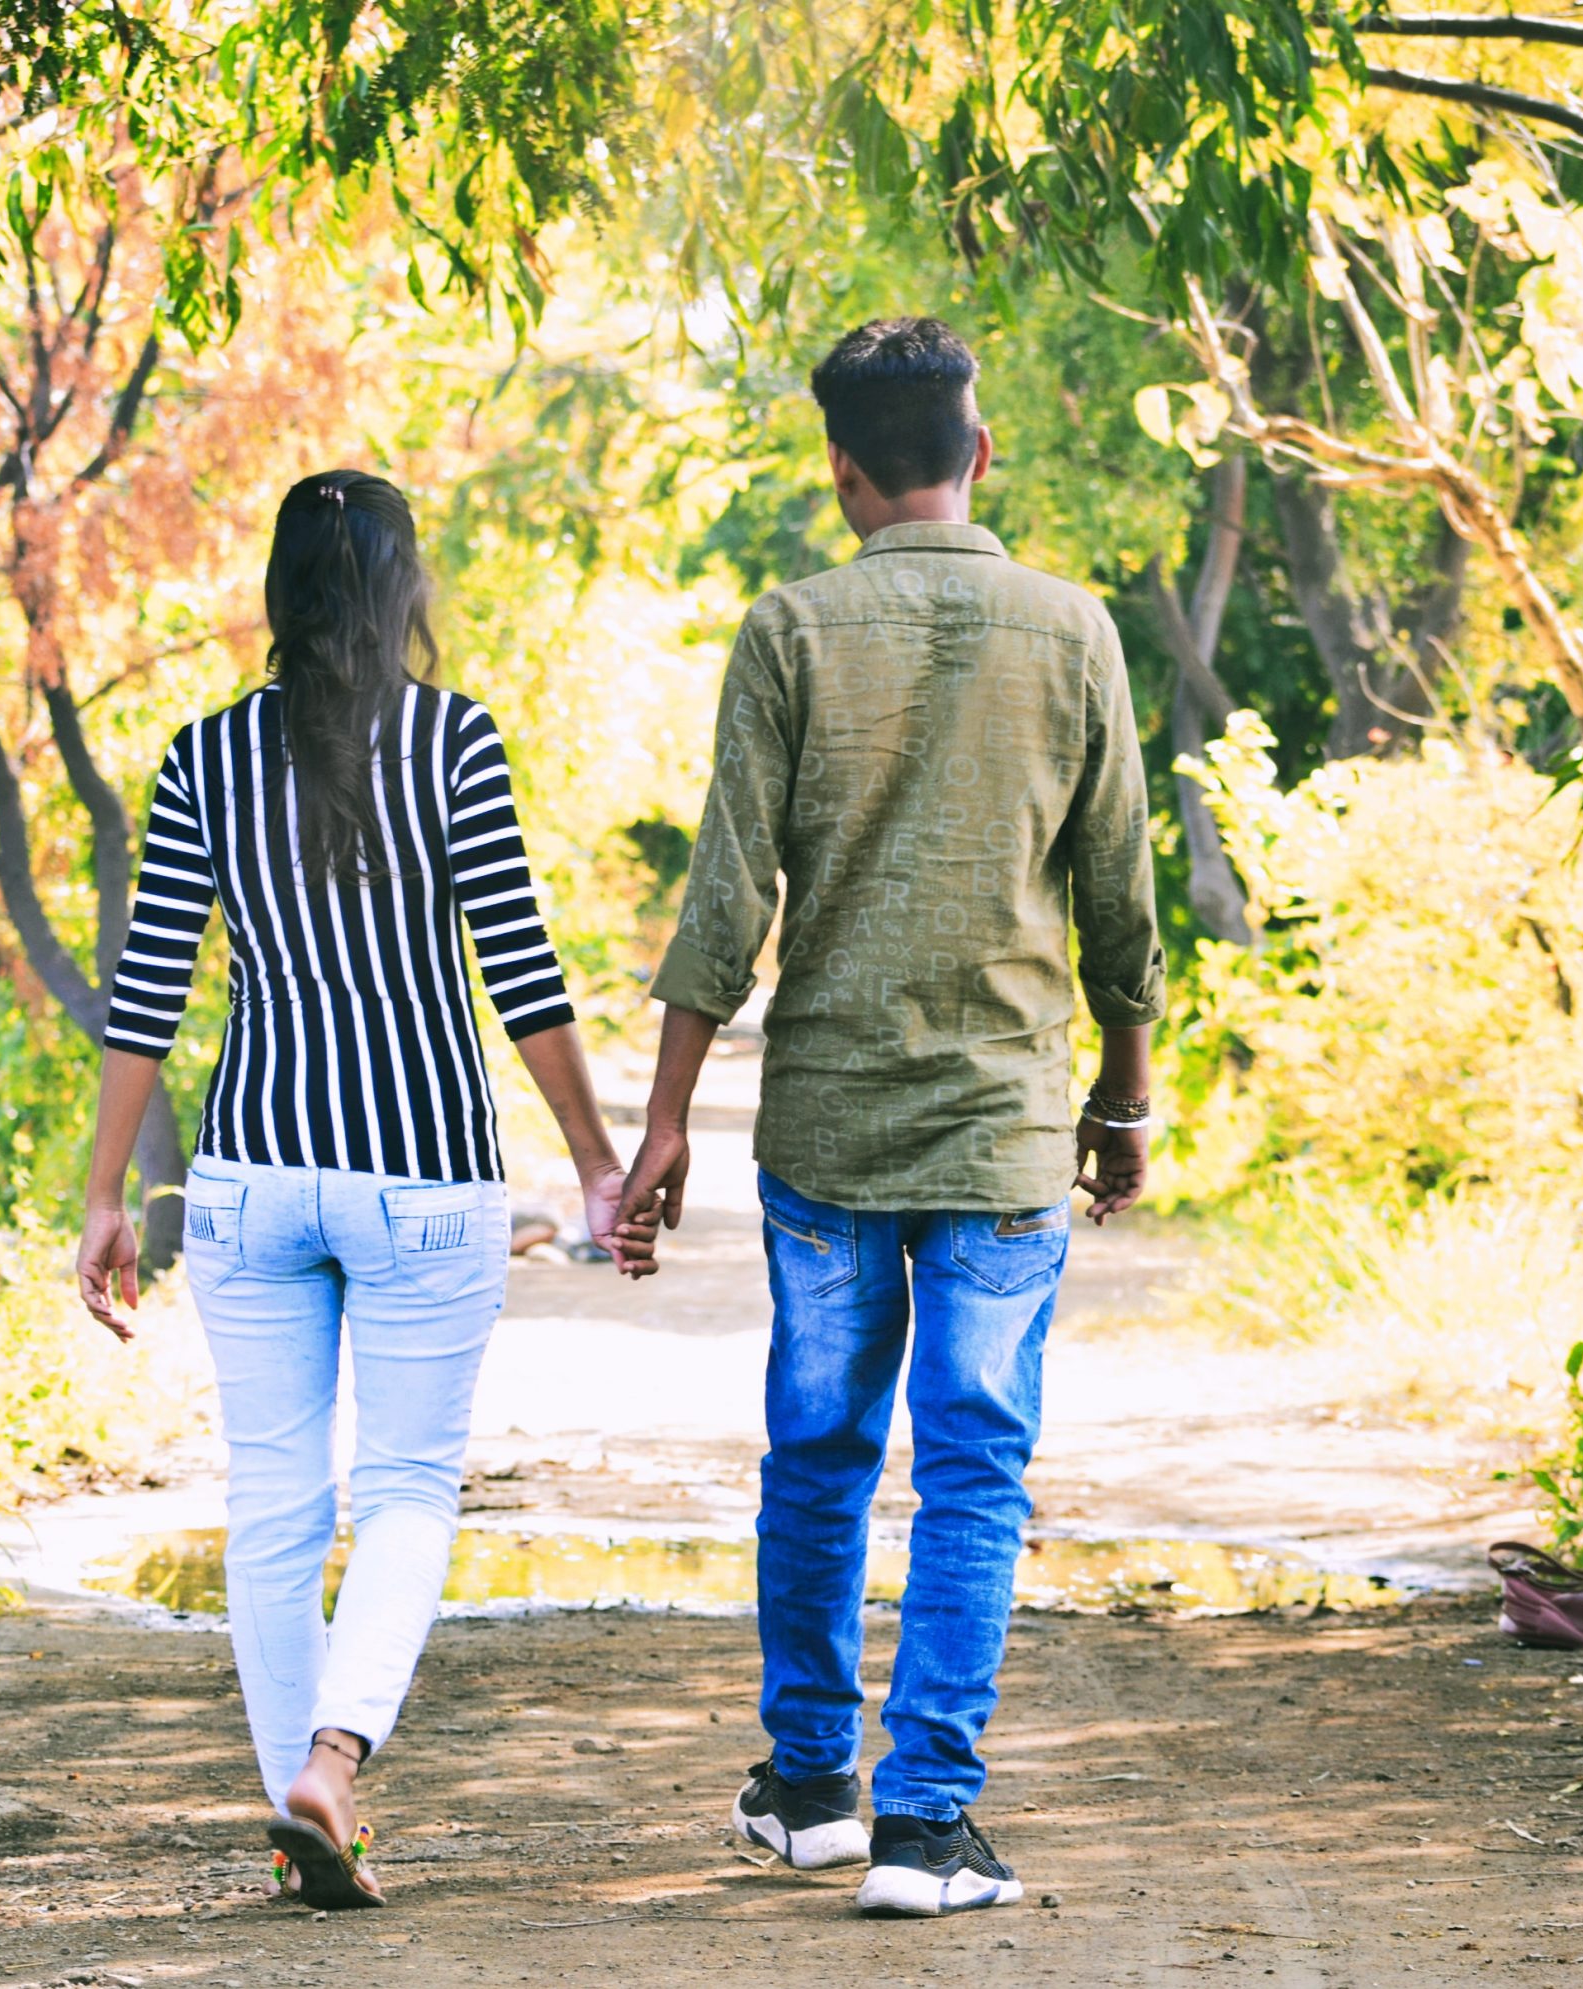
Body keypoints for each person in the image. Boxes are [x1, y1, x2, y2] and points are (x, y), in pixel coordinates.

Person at [617, 319, 1165, 1917]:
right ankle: (926, 1829)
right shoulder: (1075, 633)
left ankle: (808, 1788)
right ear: (980, 451)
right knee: (977, 1464)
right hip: (1002, 1132)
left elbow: (726, 903)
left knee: (821, 1453)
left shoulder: (786, 630)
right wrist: (1123, 1106)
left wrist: (664, 1126)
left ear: (841, 470)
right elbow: (1121, 903)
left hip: (830, 1130)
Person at [76, 469, 654, 1909]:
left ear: (280, 595)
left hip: (250, 1177)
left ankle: (302, 1815)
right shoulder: (452, 742)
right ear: (404, 593)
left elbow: (146, 997)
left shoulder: (204, 756)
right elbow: (521, 970)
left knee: (273, 1501)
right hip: (424, 1176)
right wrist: (595, 1156)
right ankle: (329, 1768)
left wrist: (101, 1197)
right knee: (402, 1489)